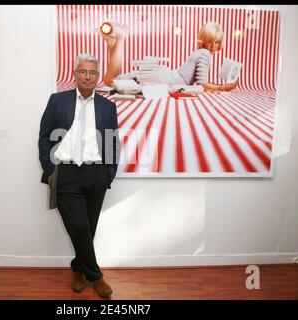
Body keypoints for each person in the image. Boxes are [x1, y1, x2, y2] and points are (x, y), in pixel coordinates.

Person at [38, 54, 120, 298]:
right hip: (65, 173)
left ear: (98, 77)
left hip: (96, 174)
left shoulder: (108, 106)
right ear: (75, 74)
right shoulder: (57, 100)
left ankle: (78, 268)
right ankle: (96, 276)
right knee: (80, 225)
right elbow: (44, 138)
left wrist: (109, 173)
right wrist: (51, 170)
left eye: (93, 73)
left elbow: (113, 142)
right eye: (83, 71)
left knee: (87, 229)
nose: (88, 76)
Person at [100, 21, 238, 93]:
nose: (216, 45)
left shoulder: (200, 52)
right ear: (209, 40)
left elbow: (201, 83)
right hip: (167, 79)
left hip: (166, 76)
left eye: (217, 42)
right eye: (215, 41)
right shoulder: (205, 54)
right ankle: (120, 40)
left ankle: (114, 43)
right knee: (111, 81)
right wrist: (223, 87)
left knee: (115, 81)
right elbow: (203, 84)